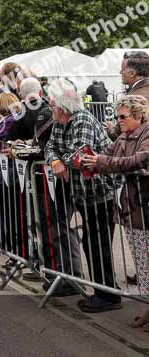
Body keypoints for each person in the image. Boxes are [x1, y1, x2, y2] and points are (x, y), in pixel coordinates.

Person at [44, 78, 120, 313]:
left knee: (98, 244)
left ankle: (108, 295)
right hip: (81, 192)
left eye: (51, 102)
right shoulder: (60, 121)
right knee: (91, 242)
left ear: (60, 105)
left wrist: (62, 161)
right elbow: (50, 147)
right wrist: (55, 162)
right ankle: (102, 291)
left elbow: (80, 155)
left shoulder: (82, 119)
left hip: (98, 192)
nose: (49, 105)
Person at [81, 95, 149, 326]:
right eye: (117, 116)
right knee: (142, 263)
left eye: (123, 116)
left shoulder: (146, 134)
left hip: (144, 205)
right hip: (132, 208)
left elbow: (138, 160)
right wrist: (90, 160)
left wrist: (100, 162)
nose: (118, 121)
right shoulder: (122, 136)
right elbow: (108, 156)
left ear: (139, 115)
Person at [110, 52, 149, 139]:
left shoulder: (134, 98)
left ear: (132, 73)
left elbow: (118, 134)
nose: (120, 72)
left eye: (122, 70)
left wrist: (108, 130)